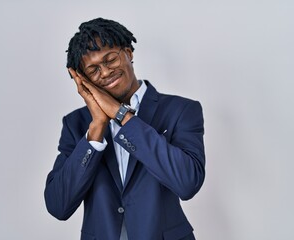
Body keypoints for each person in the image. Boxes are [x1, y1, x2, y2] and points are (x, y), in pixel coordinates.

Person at [44, 17, 206, 240]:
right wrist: (97, 128)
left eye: (110, 59)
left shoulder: (181, 110)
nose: (105, 72)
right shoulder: (77, 124)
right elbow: (58, 205)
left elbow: (187, 182)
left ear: (128, 53)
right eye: (93, 70)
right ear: (83, 80)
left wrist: (121, 115)